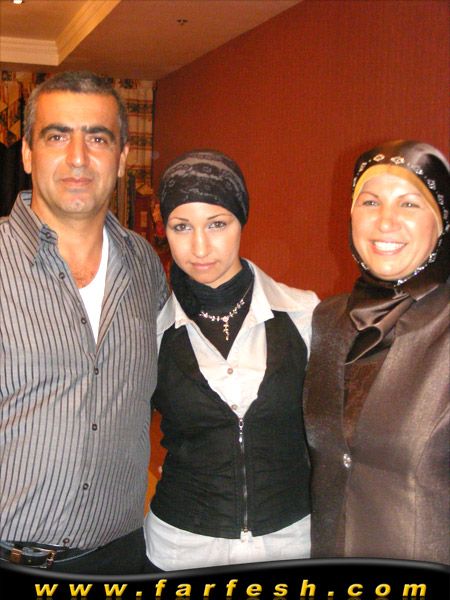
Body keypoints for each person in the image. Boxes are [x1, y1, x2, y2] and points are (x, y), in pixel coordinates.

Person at [0, 71, 168, 574]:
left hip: (120, 558)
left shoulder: (145, 266)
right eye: (57, 136)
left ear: (122, 157)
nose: (78, 157)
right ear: (27, 154)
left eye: (97, 138)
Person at [143, 149, 319, 571]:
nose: (199, 246)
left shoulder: (305, 316)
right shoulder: (152, 333)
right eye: (182, 226)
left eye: (217, 224)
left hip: (291, 544)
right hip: (181, 550)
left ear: (241, 221)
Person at [303, 140, 450, 564]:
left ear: (441, 222)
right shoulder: (327, 320)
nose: (385, 221)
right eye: (370, 201)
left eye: (409, 204)